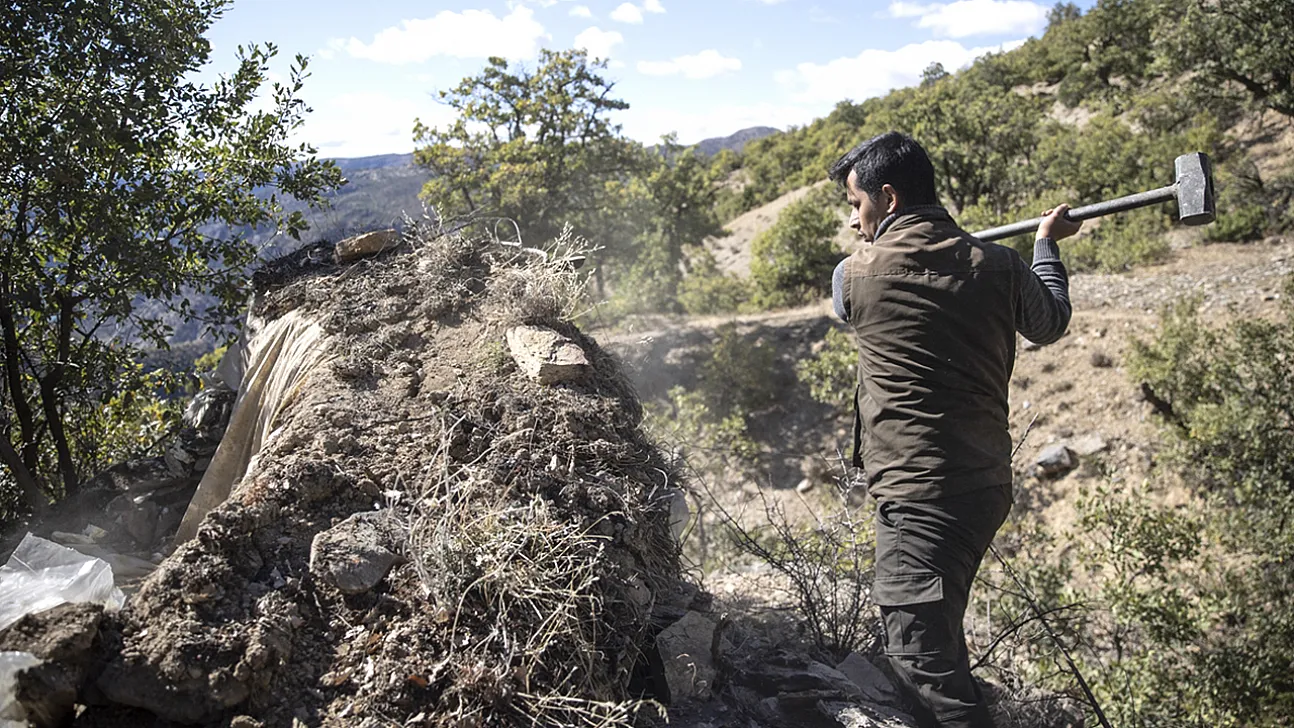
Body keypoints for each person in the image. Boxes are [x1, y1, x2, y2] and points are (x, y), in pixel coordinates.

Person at [827, 132, 1079, 728]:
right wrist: (1045, 245)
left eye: (856, 205)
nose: (854, 222)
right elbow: (1051, 322)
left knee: (921, 661)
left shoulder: (854, 276)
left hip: (921, 497)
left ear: (888, 198)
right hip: (983, 486)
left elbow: (844, 300)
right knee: (934, 638)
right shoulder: (1001, 266)